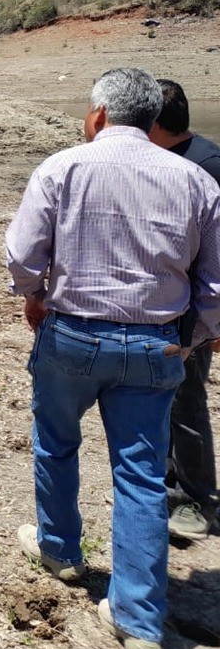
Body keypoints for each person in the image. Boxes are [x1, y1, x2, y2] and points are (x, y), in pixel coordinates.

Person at [6, 68, 220, 649]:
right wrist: (193, 338)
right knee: (142, 477)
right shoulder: (196, 181)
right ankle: (138, 618)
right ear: (152, 118)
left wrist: (35, 297)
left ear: (99, 114)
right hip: (156, 346)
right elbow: (215, 286)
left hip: (73, 334)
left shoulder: (62, 166)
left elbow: (23, 256)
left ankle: (61, 551)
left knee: (55, 440)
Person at [149, 78, 220, 541]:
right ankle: (173, 486)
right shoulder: (168, 158)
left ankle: (198, 500)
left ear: (154, 122)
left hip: (194, 310)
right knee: (168, 399)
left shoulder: (207, 167)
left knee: (188, 401)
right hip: (167, 304)